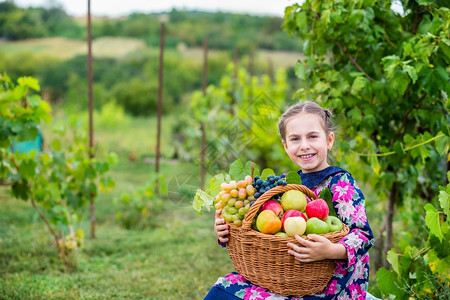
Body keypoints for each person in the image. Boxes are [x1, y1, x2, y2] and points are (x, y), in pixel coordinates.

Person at [205, 101, 375, 299]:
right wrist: (225, 232)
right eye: (295, 139)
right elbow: (260, 230)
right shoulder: (285, 183)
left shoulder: (340, 182)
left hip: (330, 282)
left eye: (312, 136)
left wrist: (330, 250)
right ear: (286, 146)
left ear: (329, 140)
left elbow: (363, 235)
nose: (304, 145)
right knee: (223, 288)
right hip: (286, 275)